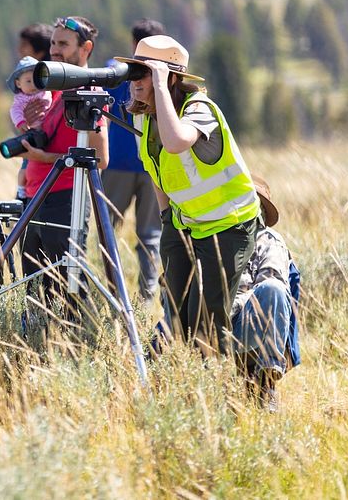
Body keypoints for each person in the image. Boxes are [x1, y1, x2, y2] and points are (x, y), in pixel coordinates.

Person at [118, 34, 259, 356]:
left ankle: (220, 380)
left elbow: (176, 142)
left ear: (170, 77)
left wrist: (160, 85)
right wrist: (169, 219)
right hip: (184, 223)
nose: (135, 80)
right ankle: (177, 374)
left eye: (144, 73)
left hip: (229, 224)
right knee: (176, 310)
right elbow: (156, 171)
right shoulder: (144, 116)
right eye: (134, 72)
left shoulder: (199, 109)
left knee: (208, 318)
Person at [18, 16, 108, 317]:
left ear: (86, 49)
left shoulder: (90, 92)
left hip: (66, 195)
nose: (54, 51)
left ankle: (71, 346)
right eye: (53, 43)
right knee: (33, 287)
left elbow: (100, 159)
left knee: (67, 283)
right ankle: (33, 348)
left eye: (63, 45)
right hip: (34, 195)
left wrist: (46, 159)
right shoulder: (52, 88)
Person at [101, 18, 167, 304]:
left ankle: (111, 289)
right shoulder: (166, 76)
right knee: (150, 234)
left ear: (133, 44)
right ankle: (148, 293)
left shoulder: (118, 72)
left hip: (117, 162)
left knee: (108, 229)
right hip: (153, 165)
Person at [232, 175, 300, 411]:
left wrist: (230, 308)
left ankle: (266, 383)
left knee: (273, 290)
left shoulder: (268, 240)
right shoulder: (208, 234)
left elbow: (272, 285)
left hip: (245, 326)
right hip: (206, 327)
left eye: (250, 202)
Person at [6, 56, 53, 200]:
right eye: (28, 81)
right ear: (18, 84)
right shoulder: (21, 99)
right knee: (26, 166)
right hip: (31, 133)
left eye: (35, 80)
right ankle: (21, 189)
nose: (33, 84)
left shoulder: (45, 92)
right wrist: (21, 123)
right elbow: (15, 111)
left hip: (46, 133)